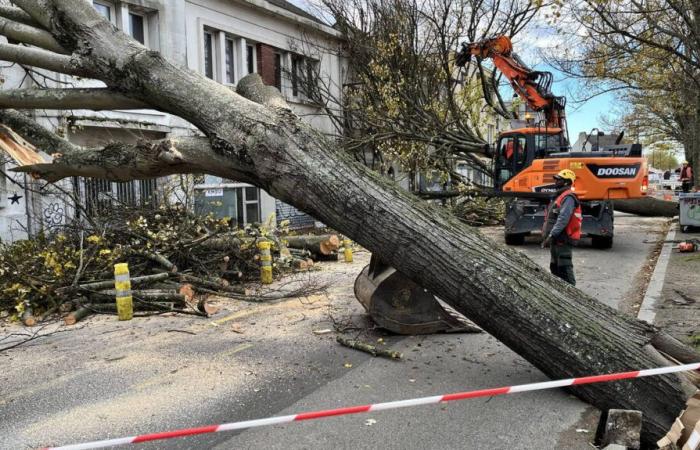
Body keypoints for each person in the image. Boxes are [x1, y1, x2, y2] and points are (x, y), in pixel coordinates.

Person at [541, 169, 582, 285]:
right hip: (556, 239)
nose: (555, 182)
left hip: (562, 239)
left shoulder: (568, 197)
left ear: (566, 182)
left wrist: (552, 234)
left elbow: (563, 219)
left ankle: (573, 297)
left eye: (559, 180)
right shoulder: (559, 196)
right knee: (555, 268)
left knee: (565, 268)